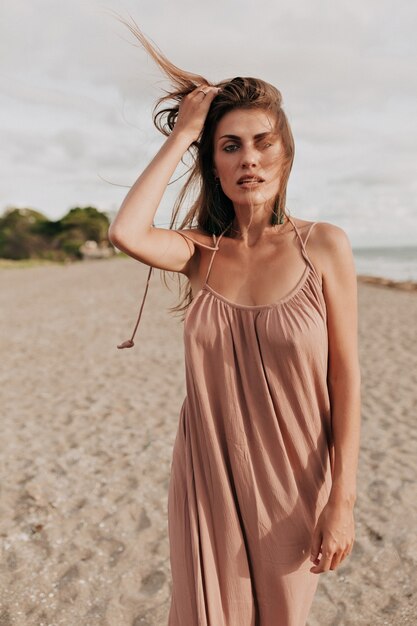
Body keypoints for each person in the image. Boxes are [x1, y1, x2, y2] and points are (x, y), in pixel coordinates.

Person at [108, 19, 361, 626]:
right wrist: (186, 131)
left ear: (285, 152)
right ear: (213, 164)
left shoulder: (322, 246)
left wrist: (342, 501)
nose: (249, 158)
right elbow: (126, 232)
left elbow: (347, 381)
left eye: (263, 142)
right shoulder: (200, 253)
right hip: (207, 475)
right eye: (230, 146)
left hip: (294, 482)